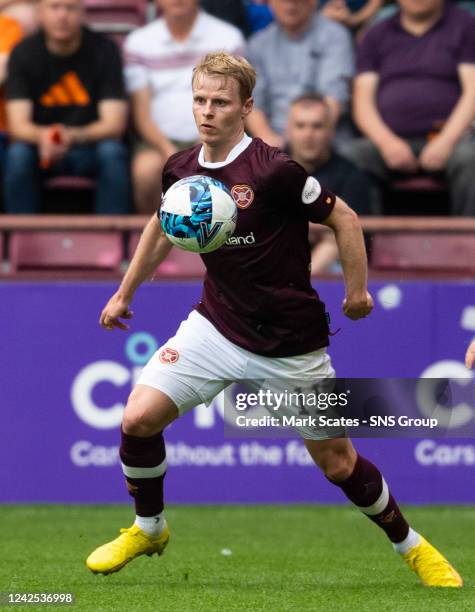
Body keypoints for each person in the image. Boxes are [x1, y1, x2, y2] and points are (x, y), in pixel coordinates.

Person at [85, 52, 462, 588]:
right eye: (199, 100)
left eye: (220, 102)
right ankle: (149, 527)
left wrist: (357, 292)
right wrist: (124, 292)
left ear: (246, 107)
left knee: (337, 463)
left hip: (290, 344)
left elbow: (345, 218)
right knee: (137, 420)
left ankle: (414, 548)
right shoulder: (181, 167)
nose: (207, 111)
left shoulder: (274, 170)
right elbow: (162, 224)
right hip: (214, 326)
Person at [340, 0, 475, 215]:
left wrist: (446, 141)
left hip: (454, 141)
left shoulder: (466, 26)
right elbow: (362, 103)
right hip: (390, 142)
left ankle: (470, 246)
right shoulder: (376, 34)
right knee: (349, 156)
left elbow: (473, 92)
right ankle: (360, 246)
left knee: (471, 157)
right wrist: (387, 143)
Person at [4, 0, 130, 214]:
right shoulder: (22, 53)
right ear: (39, 14)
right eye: (54, 7)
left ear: (82, 13)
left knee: (112, 152)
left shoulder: (105, 51)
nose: (62, 15)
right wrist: (46, 137)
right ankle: (20, 240)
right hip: (39, 147)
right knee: (17, 155)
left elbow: (114, 124)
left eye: (70, 8)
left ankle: (113, 241)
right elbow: (17, 126)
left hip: (88, 145)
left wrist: (70, 135)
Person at [124, 0, 245, 214]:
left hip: (218, 138)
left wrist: (204, 147)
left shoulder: (228, 38)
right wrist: (169, 151)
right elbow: (141, 114)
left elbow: (232, 101)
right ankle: (158, 241)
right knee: (145, 171)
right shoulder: (138, 43)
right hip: (158, 143)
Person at [286, 93, 375, 274]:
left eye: (317, 126)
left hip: (332, 267)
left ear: (331, 131)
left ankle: (298, 285)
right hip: (278, 255)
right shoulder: (266, 169)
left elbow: (352, 236)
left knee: (338, 239)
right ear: (288, 130)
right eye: (300, 126)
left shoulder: (352, 175)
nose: (308, 134)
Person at [246, 0, 354, 148]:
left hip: (323, 137)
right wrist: (267, 140)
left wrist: (303, 140)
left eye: (298, 0)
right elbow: (253, 105)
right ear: (270, 2)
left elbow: (334, 98)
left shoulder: (335, 36)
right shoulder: (257, 44)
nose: (290, 5)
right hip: (274, 143)